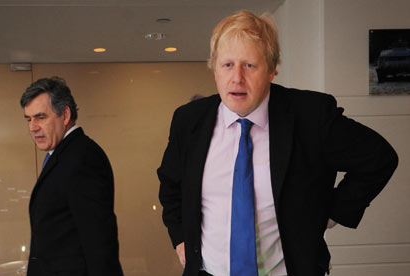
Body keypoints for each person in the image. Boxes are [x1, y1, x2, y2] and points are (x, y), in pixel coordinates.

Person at [158, 10, 398, 276]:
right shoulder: (188, 121)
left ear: (272, 70)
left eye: (249, 65)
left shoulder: (311, 116)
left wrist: (332, 213)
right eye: (227, 65)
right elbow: (171, 185)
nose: (237, 77)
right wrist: (180, 238)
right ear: (215, 68)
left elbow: (378, 158)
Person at [20, 77, 123, 276]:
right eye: (29, 119)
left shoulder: (83, 158)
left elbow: (99, 240)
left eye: (40, 117)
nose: (32, 127)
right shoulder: (63, 155)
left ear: (65, 115)